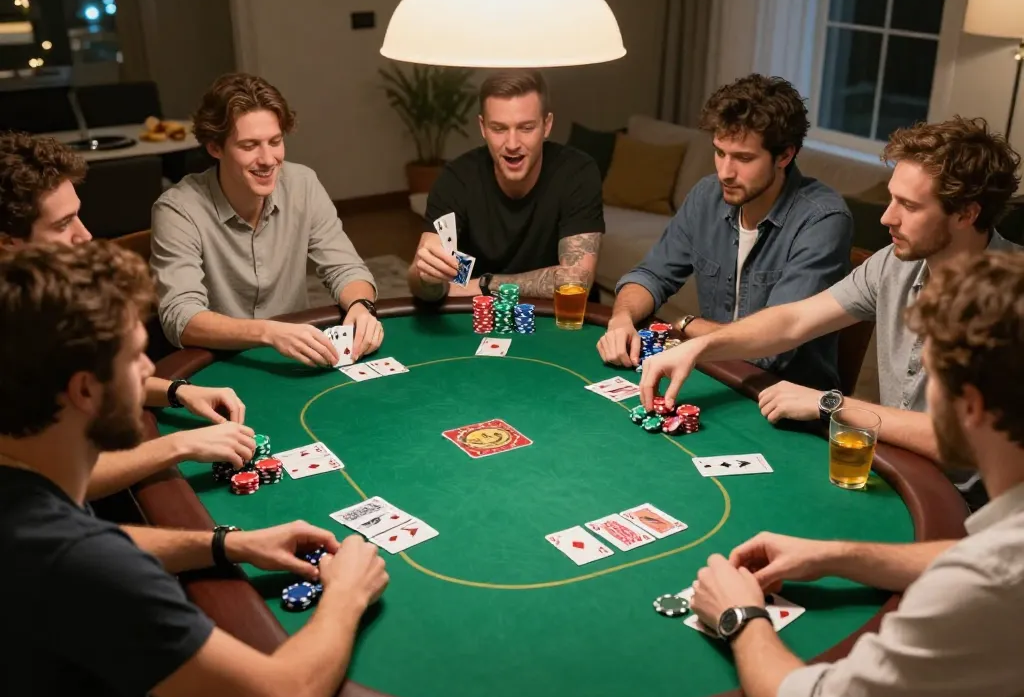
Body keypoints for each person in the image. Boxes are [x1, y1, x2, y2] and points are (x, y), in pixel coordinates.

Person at [0, 239, 389, 697]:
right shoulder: (79, 565)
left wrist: (226, 544)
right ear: (85, 391)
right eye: (134, 355)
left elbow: (89, 539)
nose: (149, 371)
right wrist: (346, 594)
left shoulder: (25, 492)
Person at [685, 250, 1024, 697]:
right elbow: (985, 559)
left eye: (935, 387)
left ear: (971, 406)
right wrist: (836, 555)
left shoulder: (993, 581)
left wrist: (739, 615)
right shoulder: (1000, 555)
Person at [639, 117, 1021, 506]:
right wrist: (698, 347)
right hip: (893, 471)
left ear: (966, 214)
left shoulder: (1013, 299)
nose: (887, 217)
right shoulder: (894, 262)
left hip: (977, 509)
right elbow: (795, 319)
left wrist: (829, 404)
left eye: (908, 205)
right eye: (892, 198)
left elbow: (964, 443)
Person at [0, 130, 256, 500]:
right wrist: (179, 446)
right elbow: (54, 485)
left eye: (78, 216)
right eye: (62, 225)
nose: (84, 236)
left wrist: (177, 391)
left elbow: (94, 376)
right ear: (8, 242)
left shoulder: (39, 291)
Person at [598, 74, 853, 392]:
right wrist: (621, 318)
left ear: (785, 156)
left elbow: (772, 345)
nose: (725, 172)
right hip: (714, 374)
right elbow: (651, 275)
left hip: (784, 397)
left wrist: (687, 326)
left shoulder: (823, 220)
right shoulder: (707, 195)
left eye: (744, 158)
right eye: (720, 152)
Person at [151, 72, 383, 367]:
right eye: (249, 146)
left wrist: (362, 306)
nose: (268, 159)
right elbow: (180, 317)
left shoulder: (303, 184)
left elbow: (346, 268)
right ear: (214, 148)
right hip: (216, 364)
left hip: (295, 361)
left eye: (275, 141)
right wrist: (269, 332)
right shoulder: (177, 209)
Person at [407, 69, 605, 300]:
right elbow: (426, 284)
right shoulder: (456, 180)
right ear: (483, 127)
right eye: (499, 128)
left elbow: (575, 282)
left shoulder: (577, 172)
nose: (512, 144)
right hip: (480, 319)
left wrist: (483, 284)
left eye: (526, 128)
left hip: (561, 320)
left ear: (547, 125)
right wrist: (425, 278)